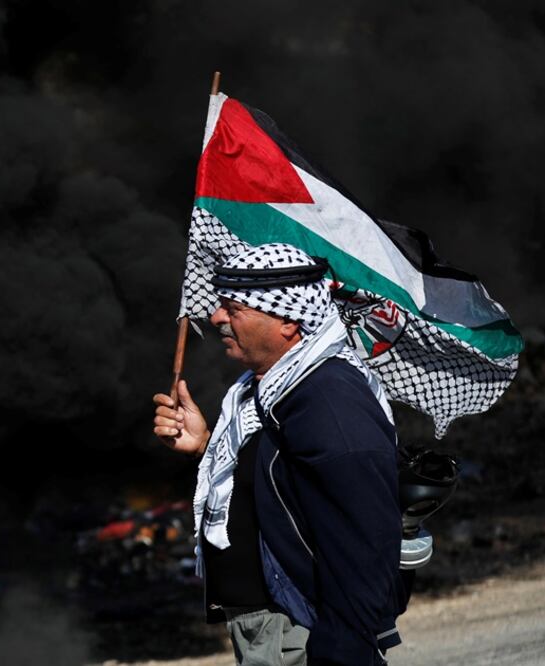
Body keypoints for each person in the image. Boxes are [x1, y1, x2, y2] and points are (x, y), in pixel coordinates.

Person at [152, 243, 403, 666]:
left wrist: (343, 645)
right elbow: (272, 484)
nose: (216, 318)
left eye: (233, 308)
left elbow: (365, 535)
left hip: (302, 626)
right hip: (272, 625)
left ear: (287, 320)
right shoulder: (269, 391)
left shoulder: (327, 398)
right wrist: (206, 444)